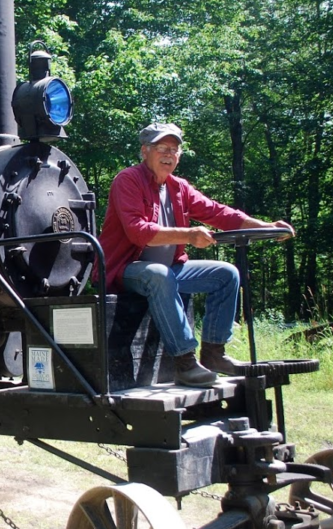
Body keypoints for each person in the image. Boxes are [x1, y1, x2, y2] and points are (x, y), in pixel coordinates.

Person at [98, 122, 294, 387]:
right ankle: (184, 362)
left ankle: (214, 353)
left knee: (226, 274)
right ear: (145, 151)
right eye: (162, 148)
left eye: (174, 150)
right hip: (126, 270)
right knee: (158, 274)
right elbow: (139, 232)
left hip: (169, 270)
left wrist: (265, 227)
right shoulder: (128, 180)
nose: (169, 155)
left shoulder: (179, 188)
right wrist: (189, 235)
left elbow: (219, 213)